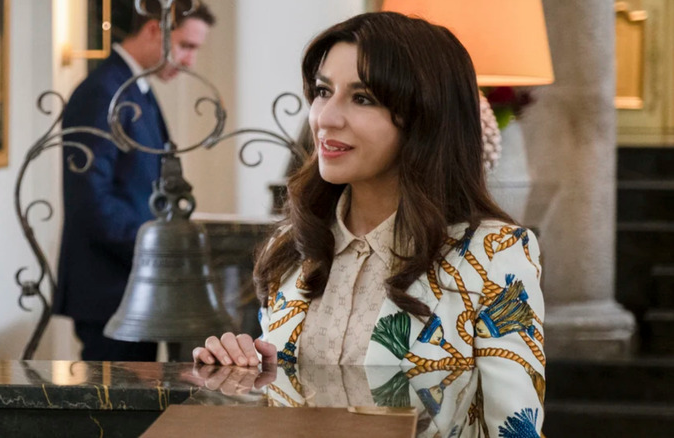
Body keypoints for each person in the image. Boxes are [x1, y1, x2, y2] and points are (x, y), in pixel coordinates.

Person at [193, 12, 545, 436]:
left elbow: (515, 429)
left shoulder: (494, 255)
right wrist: (240, 372)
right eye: (323, 91)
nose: (325, 118)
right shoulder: (290, 248)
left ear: (425, 117)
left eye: (363, 98)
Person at [55, 0, 215, 361]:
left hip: (135, 286)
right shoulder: (103, 91)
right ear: (155, 30)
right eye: (186, 46)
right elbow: (91, 202)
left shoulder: (133, 87)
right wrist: (156, 252)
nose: (190, 61)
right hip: (109, 288)